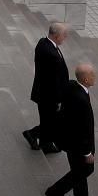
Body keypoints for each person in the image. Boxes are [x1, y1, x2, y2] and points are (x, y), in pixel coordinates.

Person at [45, 64, 98, 196]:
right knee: (85, 169)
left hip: (68, 140)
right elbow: (83, 130)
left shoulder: (72, 85)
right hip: (77, 144)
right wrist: (87, 152)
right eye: (93, 75)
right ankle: (54, 191)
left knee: (78, 169)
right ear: (86, 79)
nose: (96, 77)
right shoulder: (81, 99)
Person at [23, 22, 69, 154]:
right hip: (48, 96)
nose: (65, 37)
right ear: (56, 36)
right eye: (64, 35)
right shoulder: (51, 54)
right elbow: (53, 81)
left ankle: (45, 143)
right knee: (50, 121)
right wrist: (60, 99)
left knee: (49, 120)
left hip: (43, 92)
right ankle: (32, 134)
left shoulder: (43, 42)